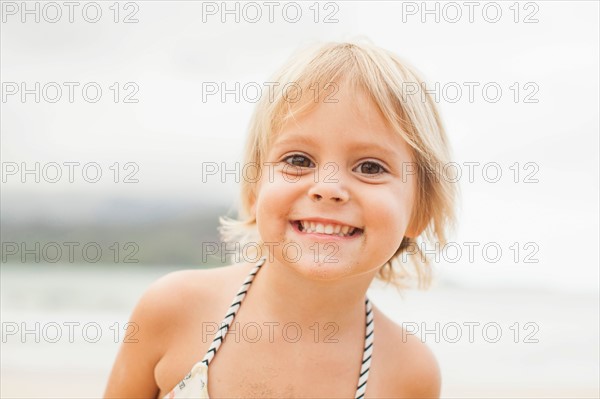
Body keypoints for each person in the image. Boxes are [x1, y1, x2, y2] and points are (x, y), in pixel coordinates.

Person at [104, 39, 458, 398]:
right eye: (299, 161)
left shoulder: (409, 371)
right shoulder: (174, 308)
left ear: (421, 210)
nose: (328, 188)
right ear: (255, 188)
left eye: (370, 167)